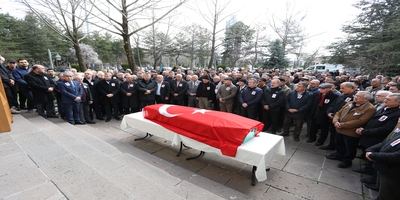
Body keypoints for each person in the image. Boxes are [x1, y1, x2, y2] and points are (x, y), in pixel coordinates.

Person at [353, 93, 400, 184]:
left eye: (389, 100)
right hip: (369, 136)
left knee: (376, 159)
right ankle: (368, 169)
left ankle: (373, 178)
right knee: (369, 154)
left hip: (377, 138)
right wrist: (363, 129)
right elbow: (372, 121)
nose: (385, 100)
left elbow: (385, 129)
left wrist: (365, 131)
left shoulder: (396, 113)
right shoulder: (383, 108)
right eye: (385, 98)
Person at [327, 91, 376, 168]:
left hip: (351, 132)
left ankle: (347, 161)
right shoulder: (350, 103)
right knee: (339, 143)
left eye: (358, 96)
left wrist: (342, 125)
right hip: (339, 128)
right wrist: (335, 121)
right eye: (355, 95)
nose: (355, 97)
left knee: (350, 148)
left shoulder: (370, 108)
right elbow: (338, 113)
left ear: (366, 99)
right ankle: (339, 155)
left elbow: (361, 121)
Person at [365, 131, 400, 200]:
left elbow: (397, 157)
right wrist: (370, 149)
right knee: (382, 192)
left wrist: (374, 155)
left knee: (388, 196)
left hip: (393, 175)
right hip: (384, 169)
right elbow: (387, 143)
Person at [321, 82, 357, 150]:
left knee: (340, 137)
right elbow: (333, 104)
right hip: (333, 118)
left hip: (342, 120)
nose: (341, 90)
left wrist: (335, 115)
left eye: (343, 88)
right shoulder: (342, 95)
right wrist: (329, 112)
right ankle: (331, 145)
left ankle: (338, 150)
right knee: (333, 133)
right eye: (340, 88)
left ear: (350, 88)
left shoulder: (355, 97)